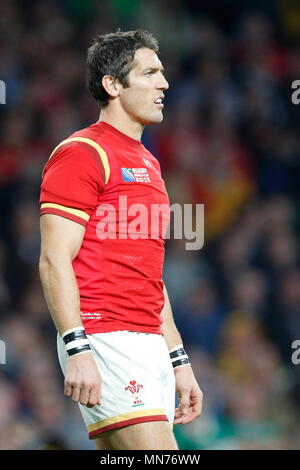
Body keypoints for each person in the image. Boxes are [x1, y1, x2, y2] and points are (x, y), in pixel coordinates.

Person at [39, 29, 203, 451]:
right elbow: (54, 259)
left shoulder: (149, 162)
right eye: (149, 73)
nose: (164, 84)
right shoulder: (82, 152)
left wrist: (178, 360)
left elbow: (149, 274)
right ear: (113, 85)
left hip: (147, 341)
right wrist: (78, 350)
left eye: (162, 73)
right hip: (105, 335)